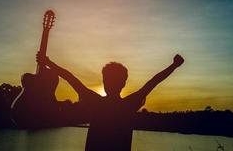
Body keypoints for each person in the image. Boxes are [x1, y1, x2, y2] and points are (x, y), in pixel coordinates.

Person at [37, 52, 184, 151]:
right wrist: (174, 66)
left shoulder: (96, 102)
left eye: (109, 80)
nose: (109, 83)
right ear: (124, 84)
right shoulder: (129, 104)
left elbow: (70, 78)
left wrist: (49, 62)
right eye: (108, 80)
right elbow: (153, 82)